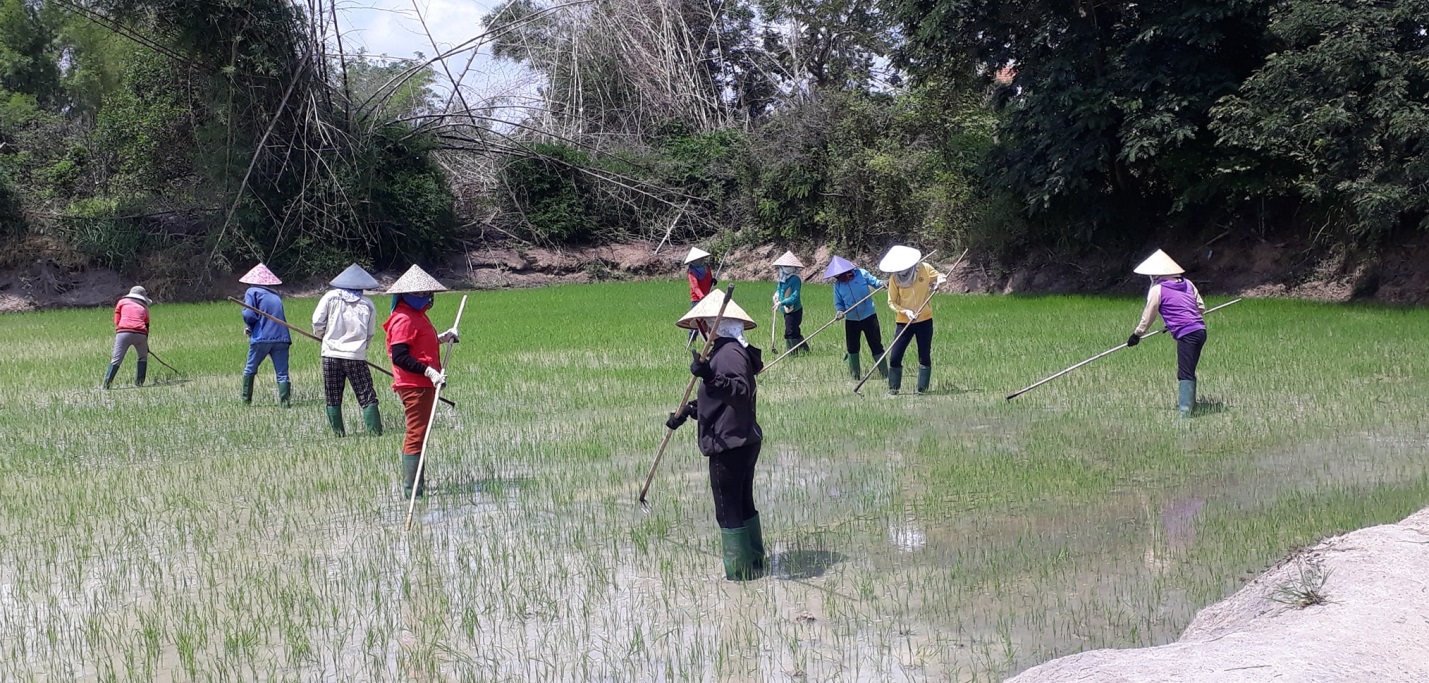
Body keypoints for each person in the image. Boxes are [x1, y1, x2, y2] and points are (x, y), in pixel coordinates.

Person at [664, 289, 766, 580]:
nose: (700, 330)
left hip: (730, 444)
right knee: (743, 502)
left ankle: (739, 576)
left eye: (702, 325)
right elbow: (719, 399)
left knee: (727, 509)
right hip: (742, 438)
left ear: (708, 325)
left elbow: (740, 393)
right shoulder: (729, 350)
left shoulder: (729, 352)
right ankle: (755, 563)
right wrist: (689, 411)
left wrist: (708, 375)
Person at [383, 265, 459, 498]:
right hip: (414, 385)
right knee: (416, 434)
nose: (426, 297)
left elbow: (419, 345)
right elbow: (400, 356)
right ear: (405, 295)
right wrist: (429, 372)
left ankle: (417, 486)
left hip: (423, 384)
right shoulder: (404, 318)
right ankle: (413, 491)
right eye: (420, 294)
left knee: (421, 432)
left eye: (427, 293)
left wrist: (442, 338)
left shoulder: (417, 316)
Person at [1125, 249, 1207, 417]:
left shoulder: (1158, 289)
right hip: (1200, 330)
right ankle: (1191, 405)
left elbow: (1149, 315)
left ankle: (1185, 412)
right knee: (1189, 368)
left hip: (1187, 334)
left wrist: (1137, 334)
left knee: (1185, 371)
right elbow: (1200, 308)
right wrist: (1173, 324)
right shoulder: (1188, 284)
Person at [313, 264, 383, 437]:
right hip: (355, 356)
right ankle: (375, 434)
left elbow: (317, 322)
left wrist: (323, 337)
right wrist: (361, 349)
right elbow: (370, 332)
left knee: (333, 395)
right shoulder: (367, 304)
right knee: (366, 394)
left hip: (330, 354)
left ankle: (339, 435)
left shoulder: (330, 297)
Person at [879, 245, 946, 396]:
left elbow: (939, 276)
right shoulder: (895, 279)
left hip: (924, 320)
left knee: (924, 354)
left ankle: (922, 390)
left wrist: (940, 281)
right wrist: (905, 311)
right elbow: (891, 302)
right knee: (895, 355)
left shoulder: (924, 268)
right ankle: (893, 389)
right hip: (904, 323)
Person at [238, 263, 293, 406]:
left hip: (262, 337)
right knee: (282, 373)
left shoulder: (252, 292)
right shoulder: (275, 295)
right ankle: (285, 403)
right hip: (282, 337)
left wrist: (250, 326)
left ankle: (246, 402)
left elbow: (249, 314)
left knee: (250, 369)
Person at [825, 256, 887, 380]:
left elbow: (875, 282)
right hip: (851, 320)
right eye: (837, 277)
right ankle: (855, 376)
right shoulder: (838, 286)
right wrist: (840, 312)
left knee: (875, 344)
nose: (840, 279)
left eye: (841, 276)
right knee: (852, 347)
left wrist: (882, 283)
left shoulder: (861, 274)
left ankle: (885, 374)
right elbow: (839, 303)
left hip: (869, 316)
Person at [104, 286, 152, 389]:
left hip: (123, 332)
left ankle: (106, 385)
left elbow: (117, 320)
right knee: (142, 357)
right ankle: (139, 383)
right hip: (141, 334)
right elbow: (147, 327)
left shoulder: (122, 303)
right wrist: (145, 345)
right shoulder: (145, 308)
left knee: (116, 359)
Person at [771, 250, 807, 353]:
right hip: (785, 310)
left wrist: (782, 303)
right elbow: (779, 289)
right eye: (784, 266)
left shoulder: (795, 279)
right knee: (795, 331)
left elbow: (794, 297)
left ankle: (792, 353)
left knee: (790, 332)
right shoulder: (782, 279)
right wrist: (776, 295)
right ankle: (804, 349)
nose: (786, 268)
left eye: (788, 266)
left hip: (794, 310)